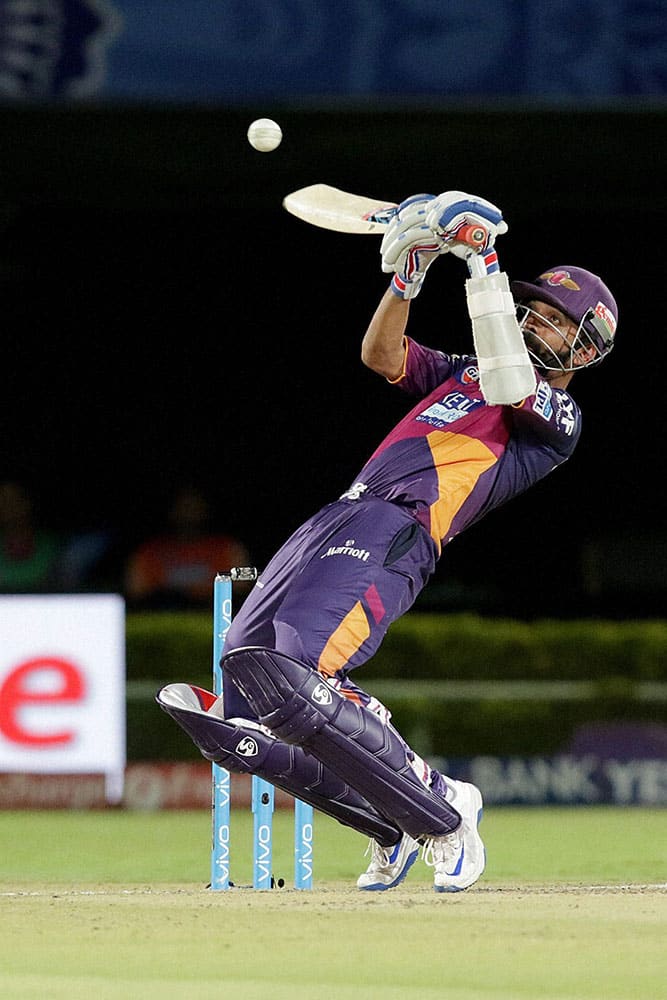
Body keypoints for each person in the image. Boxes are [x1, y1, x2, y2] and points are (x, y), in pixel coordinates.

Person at [157, 190, 617, 892]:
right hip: (339, 513)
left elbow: (507, 378)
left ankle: (442, 811)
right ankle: (387, 826)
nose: (535, 321)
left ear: (585, 344)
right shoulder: (465, 371)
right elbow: (381, 355)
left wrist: (481, 261)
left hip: (399, 526)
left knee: (300, 674)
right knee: (243, 693)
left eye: (555, 319)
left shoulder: (556, 414)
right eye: (531, 308)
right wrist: (409, 272)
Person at [125, 484, 252, 609]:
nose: (188, 512)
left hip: (212, 616)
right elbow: (136, 594)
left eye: (194, 505)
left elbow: (243, 590)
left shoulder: (229, 549)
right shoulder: (148, 553)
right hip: (163, 617)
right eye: (183, 505)